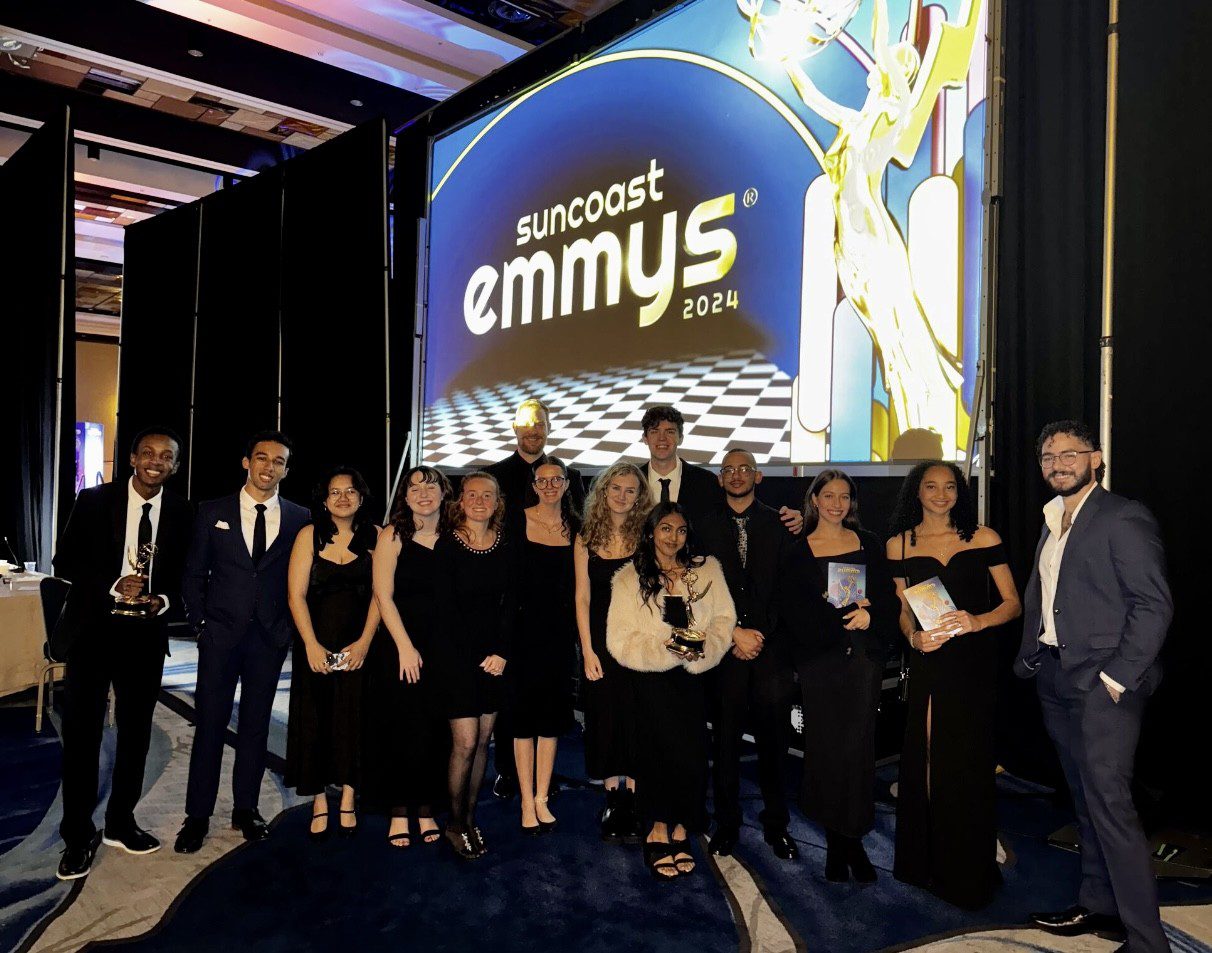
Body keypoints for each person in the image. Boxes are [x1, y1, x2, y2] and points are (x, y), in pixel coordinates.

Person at [1017, 421, 1172, 953]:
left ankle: (1148, 942)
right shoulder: (1052, 518)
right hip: (1057, 676)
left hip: (1105, 685)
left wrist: (1116, 677)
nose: (1057, 462)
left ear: (1096, 458)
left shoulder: (1122, 517)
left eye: (1070, 453)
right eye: (1048, 456)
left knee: (1111, 808)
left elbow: (1153, 606)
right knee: (1083, 801)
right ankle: (1098, 902)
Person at [52, 427, 193, 880]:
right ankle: (76, 836)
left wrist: (163, 600)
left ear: (175, 465)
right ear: (132, 458)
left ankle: (120, 822)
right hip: (93, 631)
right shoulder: (94, 500)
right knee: (82, 738)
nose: (156, 461)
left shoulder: (182, 512)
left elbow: (186, 574)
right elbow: (64, 562)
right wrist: (113, 583)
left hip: (144, 637)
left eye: (166, 456)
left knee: (136, 735)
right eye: (148, 453)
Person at [886, 461, 1021, 908]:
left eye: (949, 487)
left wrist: (977, 620)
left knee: (967, 760)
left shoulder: (985, 538)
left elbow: (1013, 605)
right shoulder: (899, 546)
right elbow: (904, 609)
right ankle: (925, 860)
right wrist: (912, 637)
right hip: (930, 659)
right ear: (916, 493)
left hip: (975, 662)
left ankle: (967, 863)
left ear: (959, 492)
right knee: (926, 758)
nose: (941, 494)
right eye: (931, 486)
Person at [175, 431, 310, 854]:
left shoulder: (299, 517)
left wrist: (287, 628)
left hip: (268, 639)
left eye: (279, 461)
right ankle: (197, 816)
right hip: (219, 637)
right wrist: (200, 624)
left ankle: (246, 809)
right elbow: (193, 573)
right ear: (246, 462)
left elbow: (303, 580)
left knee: (255, 727)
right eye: (262, 458)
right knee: (210, 727)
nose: (269, 467)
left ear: (287, 469)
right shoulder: (210, 511)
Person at [780, 469, 898, 881]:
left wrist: (871, 615)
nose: (836, 503)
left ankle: (854, 836)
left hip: (863, 659)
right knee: (826, 748)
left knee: (858, 748)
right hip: (820, 662)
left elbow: (887, 599)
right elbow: (793, 615)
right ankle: (835, 839)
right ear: (814, 500)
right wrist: (836, 623)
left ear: (852, 502)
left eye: (844, 496)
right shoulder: (797, 551)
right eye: (828, 495)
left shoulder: (869, 544)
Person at [607, 503, 735, 880]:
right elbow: (619, 638)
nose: (672, 537)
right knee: (656, 754)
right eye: (665, 529)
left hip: (695, 678)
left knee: (692, 754)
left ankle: (683, 828)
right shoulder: (629, 578)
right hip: (651, 681)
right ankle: (657, 828)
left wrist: (696, 651)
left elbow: (724, 620)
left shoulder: (707, 569)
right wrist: (669, 648)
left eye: (680, 530)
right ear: (650, 532)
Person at [695, 449, 797, 861]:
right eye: (728, 470)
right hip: (724, 649)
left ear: (758, 477)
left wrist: (760, 636)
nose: (736, 476)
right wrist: (733, 634)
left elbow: (790, 589)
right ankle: (727, 823)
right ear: (720, 480)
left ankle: (777, 826)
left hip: (771, 651)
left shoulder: (782, 524)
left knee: (775, 742)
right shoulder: (700, 527)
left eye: (744, 469)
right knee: (725, 742)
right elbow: (693, 588)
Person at [486, 397, 584, 799]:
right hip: (510, 608)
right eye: (526, 425)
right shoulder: (493, 476)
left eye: (539, 424)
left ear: (548, 428)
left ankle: (542, 778)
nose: (533, 431)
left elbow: (582, 531)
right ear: (515, 428)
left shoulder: (571, 477)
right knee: (512, 700)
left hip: (558, 613)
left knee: (550, 697)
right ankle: (509, 772)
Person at [284, 467, 381, 840]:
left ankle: (350, 797)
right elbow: (295, 595)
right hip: (316, 642)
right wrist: (310, 644)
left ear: (361, 497)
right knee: (316, 718)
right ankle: (321, 800)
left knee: (355, 717)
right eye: (334, 492)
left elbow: (380, 594)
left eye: (350, 491)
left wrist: (364, 643)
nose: (343, 498)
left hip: (361, 643)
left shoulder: (377, 536)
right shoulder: (308, 535)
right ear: (324, 500)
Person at [367, 466, 453, 847]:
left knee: (437, 732)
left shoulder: (456, 536)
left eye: (430, 485)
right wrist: (404, 646)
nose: (423, 493)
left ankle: (427, 808)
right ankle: (399, 810)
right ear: (404, 497)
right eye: (414, 487)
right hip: (402, 647)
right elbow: (383, 595)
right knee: (403, 728)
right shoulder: (393, 535)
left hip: (444, 648)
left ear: (443, 492)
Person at [432, 471, 515, 859]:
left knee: (483, 741)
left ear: (497, 503)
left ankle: (470, 817)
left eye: (488, 495)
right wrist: (470, 658)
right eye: (472, 494)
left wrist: (501, 652)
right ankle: (453, 822)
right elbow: (443, 613)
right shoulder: (446, 546)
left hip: (494, 660)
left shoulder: (505, 544)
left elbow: (511, 604)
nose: (480, 501)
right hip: (456, 659)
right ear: (460, 500)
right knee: (464, 743)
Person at [573, 461, 651, 842]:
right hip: (601, 645)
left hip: (639, 643)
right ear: (604, 491)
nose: (622, 496)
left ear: (640, 497)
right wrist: (586, 650)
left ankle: (633, 799)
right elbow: (582, 597)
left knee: (637, 718)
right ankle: (611, 797)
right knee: (604, 717)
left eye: (630, 490)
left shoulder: (649, 536)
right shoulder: (586, 537)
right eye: (615, 488)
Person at [510, 458, 579, 834]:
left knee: (551, 719)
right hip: (522, 637)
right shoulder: (516, 522)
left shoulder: (577, 528)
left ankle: (542, 798)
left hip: (558, 637)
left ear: (567, 485)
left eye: (557, 479)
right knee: (523, 720)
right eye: (543, 480)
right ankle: (525, 799)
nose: (550, 485)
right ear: (534, 485)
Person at [638, 404, 802, 532]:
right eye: (654, 431)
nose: (662, 438)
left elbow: (741, 508)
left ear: (680, 438)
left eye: (670, 431)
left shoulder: (707, 481)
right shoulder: (632, 482)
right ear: (645, 438)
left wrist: (786, 518)